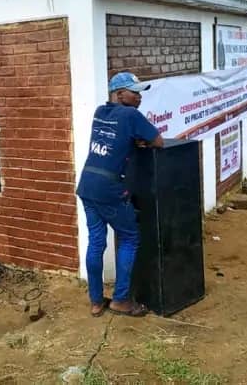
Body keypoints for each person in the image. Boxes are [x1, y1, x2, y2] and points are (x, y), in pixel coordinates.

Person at [76, 71, 163, 318]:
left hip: (87, 184)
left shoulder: (100, 112)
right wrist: (142, 141)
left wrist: (133, 141)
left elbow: (114, 140)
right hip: (110, 188)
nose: (139, 97)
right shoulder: (130, 114)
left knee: (96, 242)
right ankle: (121, 299)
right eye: (135, 93)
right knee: (130, 237)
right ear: (120, 94)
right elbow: (158, 141)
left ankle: (96, 301)